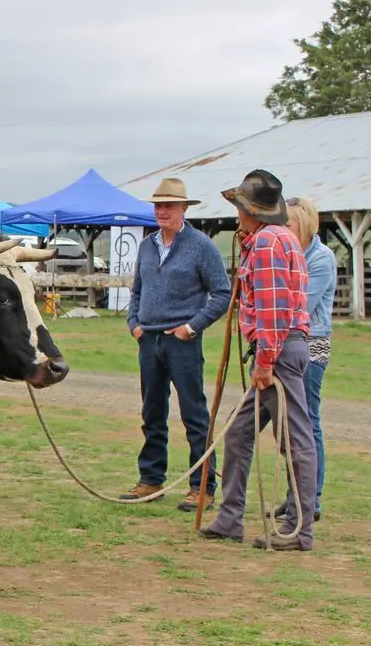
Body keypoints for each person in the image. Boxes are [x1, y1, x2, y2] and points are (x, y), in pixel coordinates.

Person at [199, 169, 318, 551]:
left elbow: (273, 310)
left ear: (249, 211)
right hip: (284, 347)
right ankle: (230, 517)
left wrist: (265, 361)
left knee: (295, 438)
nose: (237, 214)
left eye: (239, 207)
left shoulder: (267, 244)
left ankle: (300, 530)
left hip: (278, 351)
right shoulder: (277, 239)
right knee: (239, 432)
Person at [122, 177, 232, 511]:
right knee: (152, 412)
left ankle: (202, 486)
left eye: (169, 205)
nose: (162, 211)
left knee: (194, 415)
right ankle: (151, 478)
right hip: (149, 339)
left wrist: (192, 327)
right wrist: (134, 324)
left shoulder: (201, 246)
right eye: (158, 205)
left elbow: (223, 293)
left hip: (182, 342)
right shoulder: (146, 245)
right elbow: (137, 290)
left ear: (184, 208)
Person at [271, 195, 334, 522]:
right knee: (289, 425)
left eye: (289, 222)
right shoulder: (288, 256)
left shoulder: (320, 259)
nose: (283, 228)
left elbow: (300, 307)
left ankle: (311, 498)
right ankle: (295, 494)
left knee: (307, 421)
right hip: (288, 344)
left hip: (310, 346)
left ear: (305, 224)